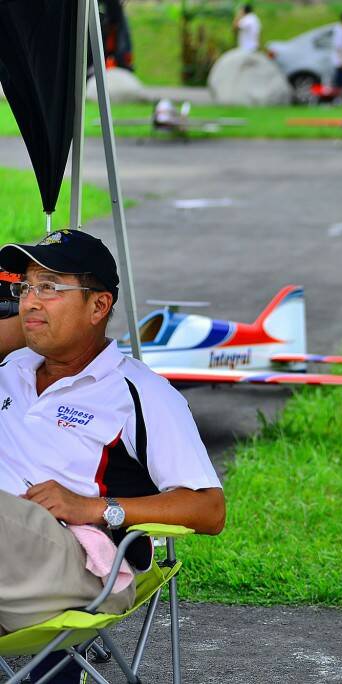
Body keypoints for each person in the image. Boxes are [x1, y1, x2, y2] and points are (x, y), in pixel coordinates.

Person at [0, 230, 225, 683]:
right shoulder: (12, 368)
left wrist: (97, 508)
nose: (28, 302)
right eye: (25, 288)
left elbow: (209, 508)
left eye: (50, 287)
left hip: (75, 560)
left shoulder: (138, 393)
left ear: (99, 306)